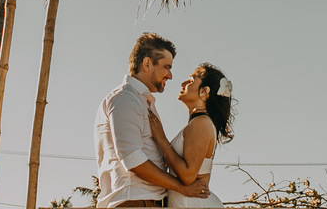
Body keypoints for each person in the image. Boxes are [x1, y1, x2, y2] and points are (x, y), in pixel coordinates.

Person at [96, 33, 212, 207]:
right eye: (166, 67)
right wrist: (181, 188)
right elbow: (133, 160)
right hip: (134, 202)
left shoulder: (144, 101)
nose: (170, 75)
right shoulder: (125, 98)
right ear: (147, 64)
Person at [148, 63, 233, 208]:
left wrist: (160, 137)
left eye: (191, 81)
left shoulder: (201, 123)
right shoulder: (200, 123)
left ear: (204, 92)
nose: (183, 83)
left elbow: (188, 175)